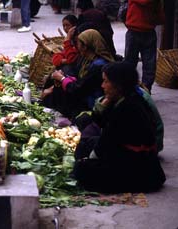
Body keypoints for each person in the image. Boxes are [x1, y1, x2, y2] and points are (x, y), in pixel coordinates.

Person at [73, 61, 166, 193]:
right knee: (86, 144)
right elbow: (99, 122)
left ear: (118, 85)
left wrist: (88, 161)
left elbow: (106, 141)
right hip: (134, 157)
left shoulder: (128, 108)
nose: (102, 86)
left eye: (106, 81)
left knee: (81, 169)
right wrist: (105, 103)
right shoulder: (125, 98)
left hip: (139, 169)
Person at [43, 29, 114, 119]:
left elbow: (80, 88)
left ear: (85, 46)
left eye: (78, 43)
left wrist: (62, 79)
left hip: (90, 101)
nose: (76, 46)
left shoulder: (99, 65)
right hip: (83, 92)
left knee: (57, 94)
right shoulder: (86, 59)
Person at [124, 0, 165, 92]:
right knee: (149, 64)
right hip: (148, 31)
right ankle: (146, 90)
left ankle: (127, 90)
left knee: (129, 63)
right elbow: (161, 18)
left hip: (133, 31)